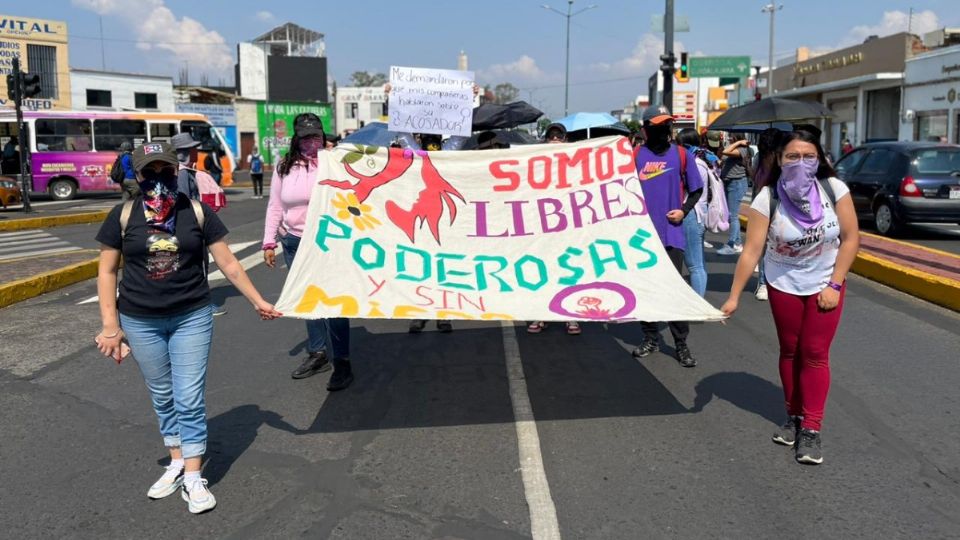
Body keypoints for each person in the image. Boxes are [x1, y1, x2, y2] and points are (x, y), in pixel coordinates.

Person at [94, 141, 281, 513]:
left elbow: (229, 264)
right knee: (162, 395)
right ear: (139, 175)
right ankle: (176, 460)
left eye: (166, 170)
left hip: (191, 315)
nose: (160, 178)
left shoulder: (196, 212)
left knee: (189, 396)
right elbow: (106, 271)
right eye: (151, 171)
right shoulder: (123, 215)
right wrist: (110, 326)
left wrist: (258, 300)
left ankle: (194, 475)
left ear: (176, 172)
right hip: (140, 319)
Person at [721, 129, 860, 465]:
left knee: (814, 353)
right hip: (783, 283)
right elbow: (752, 250)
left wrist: (835, 285)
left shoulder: (834, 190)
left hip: (825, 283)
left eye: (808, 156)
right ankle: (794, 415)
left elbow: (851, 238)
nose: (800, 163)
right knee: (790, 350)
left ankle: (811, 428)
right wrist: (734, 296)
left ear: (820, 159)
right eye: (792, 157)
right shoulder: (767, 198)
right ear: (780, 161)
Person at [263, 113, 354, 390]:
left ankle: (342, 361)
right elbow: (276, 205)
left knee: (334, 302)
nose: (311, 142)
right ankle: (318, 353)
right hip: (294, 242)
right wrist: (269, 241)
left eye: (316, 136)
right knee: (308, 300)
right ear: (296, 138)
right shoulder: (284, 166)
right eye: (306, 137)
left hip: (328, 242)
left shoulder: (333, 163)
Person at [632, 105, 704, 367]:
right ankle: (650, 338)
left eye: (667, 126)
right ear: (645, 130)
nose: (664, 131)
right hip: (641, 238)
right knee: (646, 290)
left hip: (671, 235)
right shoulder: (635, 155)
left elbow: (697, 189)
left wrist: (683, 211)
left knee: (673, 291)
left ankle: (681, 345)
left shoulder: (683, 155)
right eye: (658, 127)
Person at [527, 123, 582, 336]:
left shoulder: (575, 163)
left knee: (568, 269)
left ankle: (570, 315)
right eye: (552, 135)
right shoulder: (535, 163)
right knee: (542, 269)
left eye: (559, 136)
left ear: (565, 139)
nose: (555, 139)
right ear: (546, 139)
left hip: (568, 225)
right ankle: (541, 313)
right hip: (542, 225)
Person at [173, 132, 226, 316]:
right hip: (192, 227)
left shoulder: (183, 171)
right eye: (193, 149)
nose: (197, 152)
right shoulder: (182, 174)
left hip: (190, 226)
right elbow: (185, 201)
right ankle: (203, 305)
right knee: (199, 266)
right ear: (184, 153)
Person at [408, 132, 453, 334]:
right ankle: (421, 311)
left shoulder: (449, 152)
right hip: (419, 214)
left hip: (444, 216)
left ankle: (443, 313)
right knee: (420, 265)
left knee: (443, 265)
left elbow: (458, 138)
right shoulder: (413, 153)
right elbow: (403, 136)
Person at [675, 128, 713, 298]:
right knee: (699, 262)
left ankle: (698, 302)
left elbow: (692, 190)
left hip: (692, 213)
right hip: (700, 212)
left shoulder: (695, 163)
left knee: (694, 264)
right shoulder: (702, 161)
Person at [750, 128, 784, 301]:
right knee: (765, 244)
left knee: (770, 244)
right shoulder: (760, 159)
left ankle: (767, 281)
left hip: (774, 203)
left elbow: (754, 178)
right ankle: (764, 281)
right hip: (765, 203)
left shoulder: (783, 160)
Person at [716, 133, 754, 256]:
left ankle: (733, 244)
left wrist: (738, 143)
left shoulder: (742, 150)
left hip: (736, 183)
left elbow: (727, 152)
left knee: (733, 215)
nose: (730, 138)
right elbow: (723, 156)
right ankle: (737, 243)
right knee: (731, 214)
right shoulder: (734, 148)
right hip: (729, 183)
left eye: (732, 137)